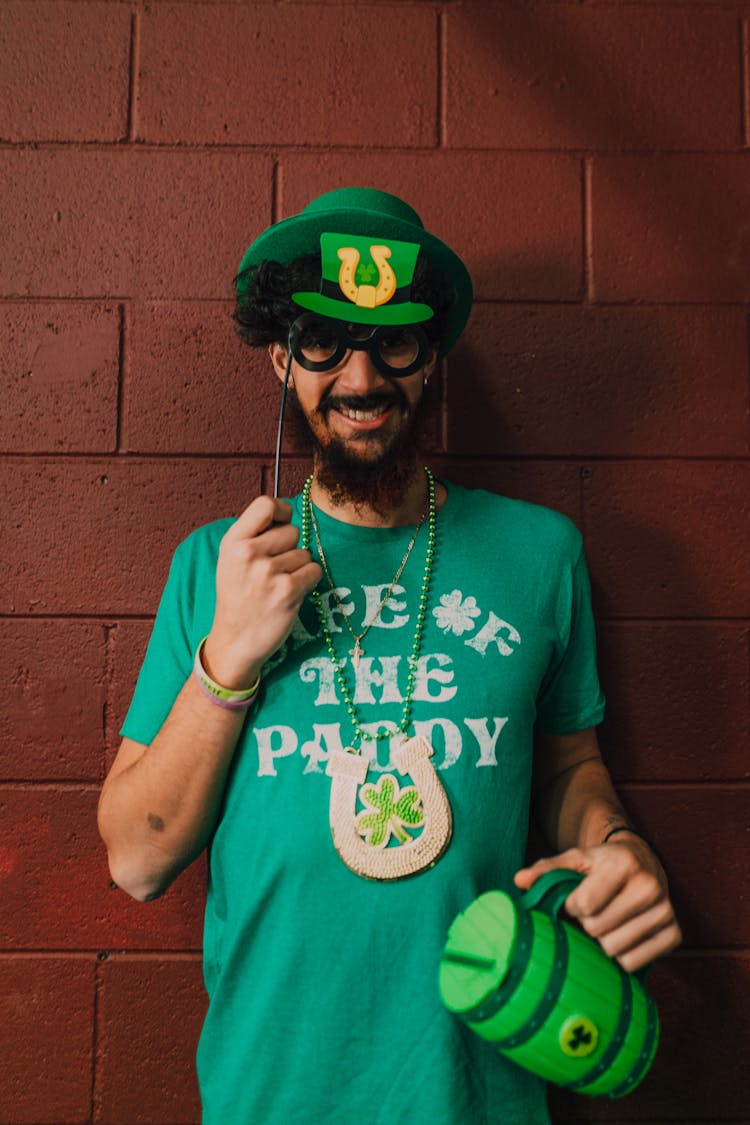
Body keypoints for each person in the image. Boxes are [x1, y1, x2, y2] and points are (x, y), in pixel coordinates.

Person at [98, 187, 681, 1124]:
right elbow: (136, 858)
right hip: (270, 1093)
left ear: (431, 358)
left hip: (476, 1093)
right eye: (326, 343)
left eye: (393, 343)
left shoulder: (541, 554)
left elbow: (571, 769)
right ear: (285, 359)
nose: (360, 379)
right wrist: (229, 656)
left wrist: (615, 845)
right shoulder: (216, 565)